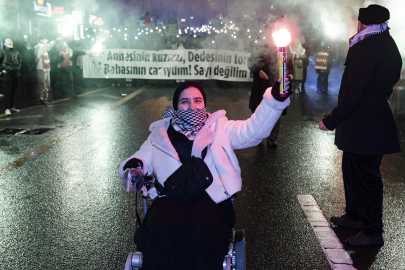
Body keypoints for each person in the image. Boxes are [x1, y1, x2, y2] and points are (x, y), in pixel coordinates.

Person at [119, 80, 292, 270]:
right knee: (161, 226)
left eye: (197, 101)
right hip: (171, 197)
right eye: (185, 102)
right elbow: (142, 157)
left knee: (201, 227)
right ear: (176, 105)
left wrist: (274, 100)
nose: (192, 106)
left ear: (204, 104)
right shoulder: (160, 134)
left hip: (211, 199)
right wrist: (135, 165)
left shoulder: (220, 128)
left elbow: (252, 131)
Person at [319, 4, 402, 247]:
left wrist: (331, 119)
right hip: (367, 123)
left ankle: (372, 232)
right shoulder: (387, 42)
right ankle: (355, 215)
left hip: (366, 125)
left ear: (363, 23)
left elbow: (354, 91)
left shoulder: (366, 46)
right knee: (352, 171)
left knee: (366, 180)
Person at [249, 37, 293, 147]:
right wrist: (258, 70)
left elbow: (290, 64)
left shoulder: (284, 47)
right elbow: (251, 62)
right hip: (262, 85)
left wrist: (291, 74)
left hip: (278, 85)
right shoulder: (261, 45)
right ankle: (258, 137)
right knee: (259, 111)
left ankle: (272, 138)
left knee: (276, 110)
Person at [34, 36, 60, 104]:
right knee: (42, 84)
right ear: (41, 40)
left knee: (47, 84)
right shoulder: (40, 47)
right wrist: (54, 40)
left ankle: (45, 98)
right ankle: (40, 99)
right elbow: (48, 46)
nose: (47, 40)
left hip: (46, 69)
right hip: (41, 69)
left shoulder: (43, 48)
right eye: (45, 39)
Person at [0, 39, 21, 116]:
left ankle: (11, 107)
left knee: (13, 91)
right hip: (8, 75)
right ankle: (7, 108)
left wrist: (18, 69)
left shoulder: (16, 52)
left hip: (14, 74)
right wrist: (2, 70)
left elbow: (19, 61)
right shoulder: (2, 52)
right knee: (8, 92)